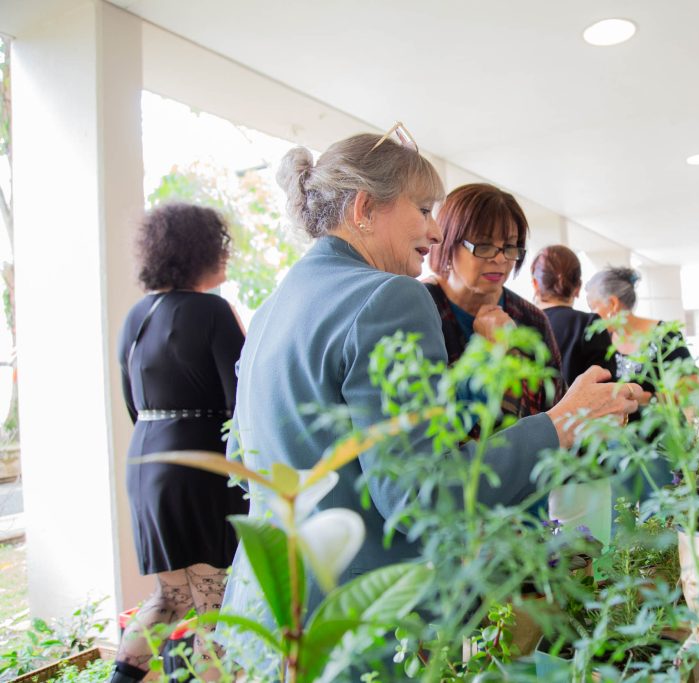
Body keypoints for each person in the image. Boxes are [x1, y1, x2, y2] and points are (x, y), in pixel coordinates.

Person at [221, 129, 646, 657]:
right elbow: (420, 495)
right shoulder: (388, 297)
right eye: (422, 209)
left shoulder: (273, 307)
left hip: (268, 611)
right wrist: (563, 423)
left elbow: (242, 455)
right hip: (358, 619)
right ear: (364, 208)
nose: (432, 229)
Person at [113, 204, 248, 683]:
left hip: (148, 462)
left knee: (172, 597)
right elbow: (242, 401)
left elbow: (133, 404)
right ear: (201, 251)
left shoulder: (135, 316)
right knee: (213, 601)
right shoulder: (212, 311)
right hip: (201, 466)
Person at [423, 184, 565, 427]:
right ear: (448, 241)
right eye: (484, 245)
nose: (500, 259)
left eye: (509, 247)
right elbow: (426, 418)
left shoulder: (531, 318)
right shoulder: (421, 306)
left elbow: (557, 408)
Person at [585, 266, 694, 402]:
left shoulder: (665, 335)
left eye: (593, 307)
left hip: (663, 421)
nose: (591, 315)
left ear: (613, 303)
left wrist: (646, 399)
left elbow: (691, 390)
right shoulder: (601, 343)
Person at [530, 245, 615, 385]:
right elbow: (607, 389)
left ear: (535, 284)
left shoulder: (519, 324)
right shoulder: (589, 324)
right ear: (578, 287)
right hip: (583, 407)